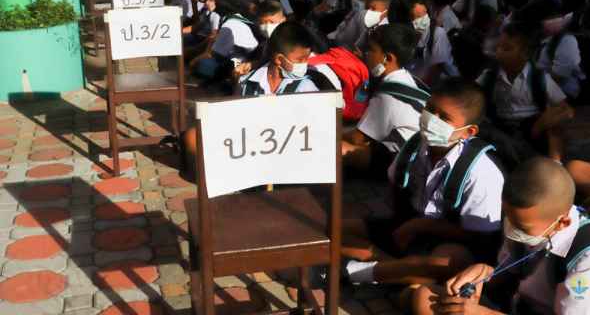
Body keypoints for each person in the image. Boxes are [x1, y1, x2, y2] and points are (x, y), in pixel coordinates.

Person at [343, 79, 504, 286]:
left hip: (449, 242)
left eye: (444, 118)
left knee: (447, 262)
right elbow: (396, 186)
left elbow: (479, 235)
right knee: (338, 230)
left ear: (468, 132)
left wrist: (420, 226)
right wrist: (405, 227)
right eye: (430, 109)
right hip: (407, 228)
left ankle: (368, 273)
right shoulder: (415, 144)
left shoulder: (482, 172)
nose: (431, 119)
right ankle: (397, 270)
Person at [413, 157, 590, 315]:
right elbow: (507, 273)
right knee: (424, 297)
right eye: (509, 218)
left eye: (521, 227)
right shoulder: (530, 223)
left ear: (562, 223)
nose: (512, 228)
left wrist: (483, 313)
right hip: (512, 305)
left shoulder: (589, 260)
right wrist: (484, 273)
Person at [183, 21, 319, 157]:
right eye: (300, 60)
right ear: (279, 59)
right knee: (192, 137)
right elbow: (236, 117)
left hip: (288, 151)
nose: (305, 64)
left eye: (306, 59)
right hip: (250, 146)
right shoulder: (247, 82)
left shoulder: (306, 87)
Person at [477, 22, 574, 162]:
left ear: (525, 53)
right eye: (497, 47)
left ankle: (555, 165)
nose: (499, 53)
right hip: (501, 125)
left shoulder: (539, 78)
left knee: (554, 128)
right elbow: (471, 94)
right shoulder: (489, 76)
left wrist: (541, 123)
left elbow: (566, 109)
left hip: (533, 125)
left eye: (507, 49)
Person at [342, 24, 422, 175]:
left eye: (371, 50)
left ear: (388, 58)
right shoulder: (404, 78)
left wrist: (329, 132)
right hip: (403, 149)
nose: (366, 54)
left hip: (402, 160)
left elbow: (357, 138)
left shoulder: (388, 95)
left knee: (341, 149)